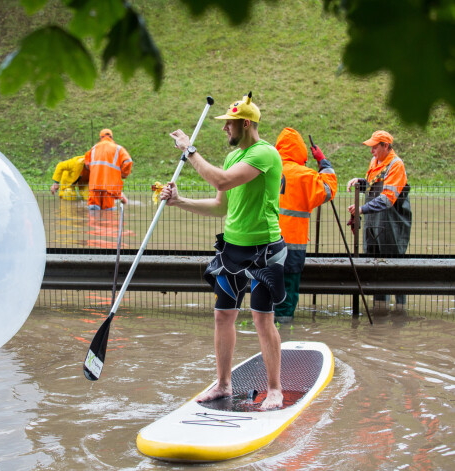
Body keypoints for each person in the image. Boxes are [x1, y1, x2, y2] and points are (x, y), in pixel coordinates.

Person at [160, 92, 286, 410]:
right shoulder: (233, 157)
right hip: (232, 250)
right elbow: (220, 206)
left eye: (228, 124)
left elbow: (222, 180)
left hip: (264, 252)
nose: (224, 130)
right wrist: (179, 201)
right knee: (222, 316)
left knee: (261, 319)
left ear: (245, 123)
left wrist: (190, 151)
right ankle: (223, 385)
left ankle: (275, 390)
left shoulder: (264, 154)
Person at [274, 128, 338, 321]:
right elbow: (328, 189)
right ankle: (284, 337)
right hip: (292, 247)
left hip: (263, 244)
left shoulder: (266, 170)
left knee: (264, 293)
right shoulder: (305, 175)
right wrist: (323, 162)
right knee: (287, 295)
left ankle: (263, 336)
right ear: (301, 150)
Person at [347, 130, 411, 308]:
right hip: (374, 225)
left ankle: (400, 310)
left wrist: (361, 209)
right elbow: (373, 183)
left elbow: (387, 198)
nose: (371, 151)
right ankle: (380, 309)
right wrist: (360, 181)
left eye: (375, 147)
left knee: (394, 269)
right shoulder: (375, 161)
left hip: (393, 226)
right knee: (376, 269)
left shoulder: (396, 165)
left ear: (386, 146)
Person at [84, 129, 132, 210]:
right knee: (108, 214)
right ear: (112, 137)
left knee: (93, 210)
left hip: (94, 186)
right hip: (109, 187)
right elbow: (128, 161)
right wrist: (123, 174)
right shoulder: (118, 149)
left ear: (101, 137)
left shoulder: (93, 148)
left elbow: (86, 164)